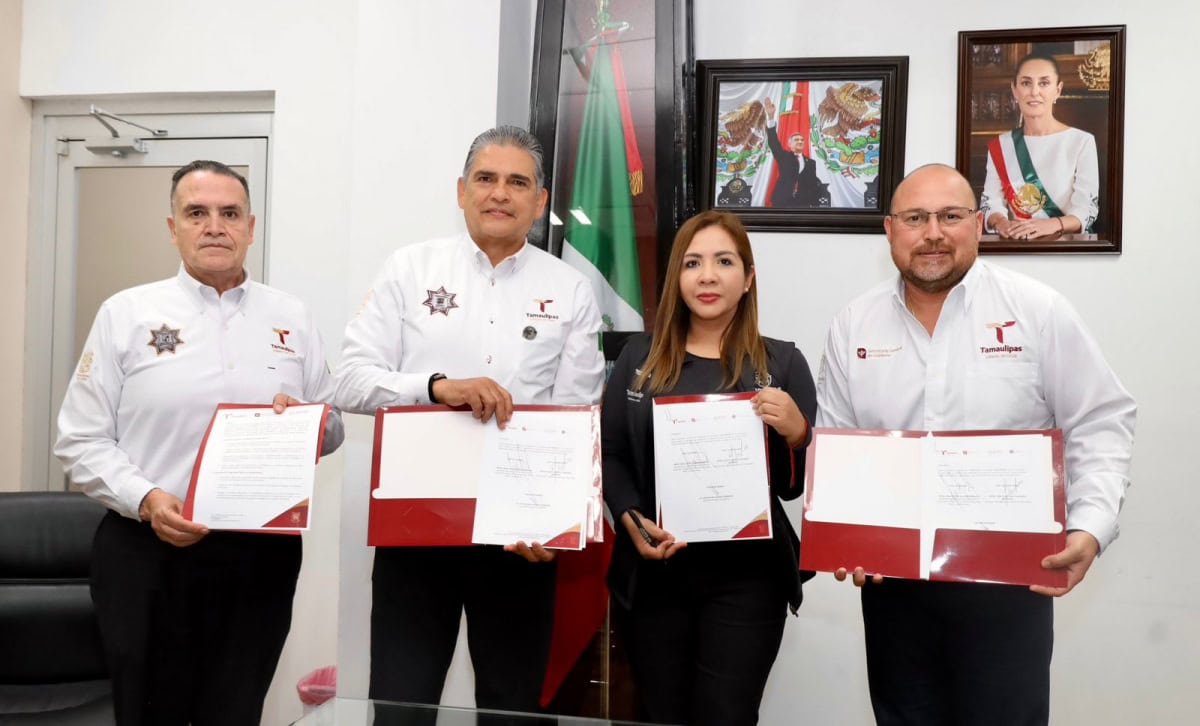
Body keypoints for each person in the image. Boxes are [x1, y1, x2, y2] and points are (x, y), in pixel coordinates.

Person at [817, 163, 1135, 726]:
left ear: (979, 223)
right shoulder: (853, 325)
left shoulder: (1036, 310)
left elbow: (1100, 419)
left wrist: (1090, 527)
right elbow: (838, 440)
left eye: (950, 216)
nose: (933, 233)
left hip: (1010, 583)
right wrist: (845, 539)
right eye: (915, 218)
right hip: (893, 587)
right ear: (890, 229)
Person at [55, 160, 345, 726]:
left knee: (235, 710)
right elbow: (80, 439)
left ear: (250, 227)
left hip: (259, 556)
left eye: (229, 213)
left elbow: (332, 429)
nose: (215, 226)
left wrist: (307, 422)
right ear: (173, 228)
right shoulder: (126, 313)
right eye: (197, 213)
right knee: (149, 712)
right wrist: (146, 499)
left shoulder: (291, 317)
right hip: (148, 550)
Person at [333, 126, 605, 714]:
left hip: (520, 537)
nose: (500, 193)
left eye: (518, 182)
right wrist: (435, 388)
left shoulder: (570, 290)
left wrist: (556, 526)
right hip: (417, 527)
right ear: (461, 190)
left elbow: (577, 418)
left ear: (540, 200)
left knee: (512, 708)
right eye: (486, 178)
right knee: (402, 704)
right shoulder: (409, 269)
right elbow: (348, 381)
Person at [602, 210, 816, 726]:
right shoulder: (637, 359)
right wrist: (631, 520)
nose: (708, 276)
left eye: (724, 262)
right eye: (692, 263)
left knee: (727, 715)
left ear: (748, 277)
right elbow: (609, 454)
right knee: (659, 714)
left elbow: (795, 488)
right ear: (677, 277)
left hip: (748, 581)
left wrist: (797, 433)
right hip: (655, 572)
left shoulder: (782, 364)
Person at [980, 52, 1100, 239]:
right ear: (1014, 90)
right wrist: (1002, 223)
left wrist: (1050, 225)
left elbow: (1087, 209)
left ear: (1058, 90)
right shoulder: (1001, 145)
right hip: (1017, 244)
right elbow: (990, 202)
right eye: (1026, 83)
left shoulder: (1081, 142)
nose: (1034, 92)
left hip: (1068, 247)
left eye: (1044, 83)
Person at [762, 96, 827, 208]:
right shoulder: (783, 156)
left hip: (802, 205)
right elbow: (773, 142)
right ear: (790, 145)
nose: (800, 141)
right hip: (781, 203)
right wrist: (771, 117)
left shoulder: (811, 163)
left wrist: (815, 207)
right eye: (796, 140)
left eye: (802, 140)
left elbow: (812, 185)